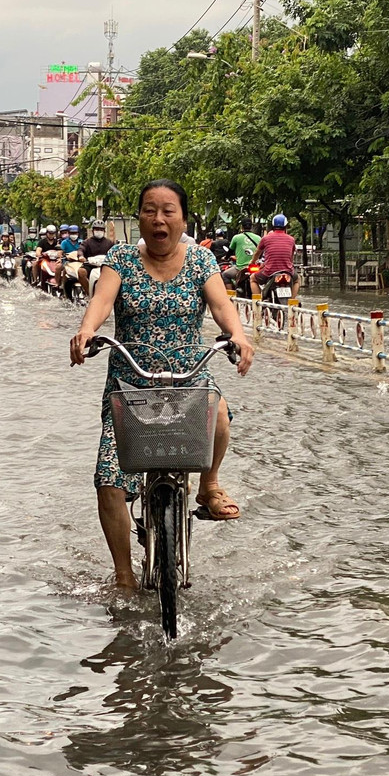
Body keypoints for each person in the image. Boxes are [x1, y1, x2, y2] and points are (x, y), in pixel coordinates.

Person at [70, 179, 255, 589]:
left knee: (219, 413)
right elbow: (101, 301)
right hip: (130, 385)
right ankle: (122, 575)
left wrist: (238, 335)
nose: (158, 219)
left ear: (182, 220)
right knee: (108, 482)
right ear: (139, 218)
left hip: (190, 379)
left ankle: (209, 486)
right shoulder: (120, 259)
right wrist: (86, 330)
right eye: (150, 210)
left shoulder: (202, 262)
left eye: (168, 211)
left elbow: (223, 305)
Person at [248, 214, 297, 299]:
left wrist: (252, 262)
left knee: (252, 279)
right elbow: (291, 259)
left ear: (273, 226)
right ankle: (292, 302)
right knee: (298, 280)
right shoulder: (291, 239)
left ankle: (259, 304)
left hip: (269, 272)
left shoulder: (266, 238)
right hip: (288, 272)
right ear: (285, 226)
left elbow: (257, 253)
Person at [76, 220, 117, 298]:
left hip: (105, 266)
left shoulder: (109, 243)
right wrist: (81, 256)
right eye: (97, 229)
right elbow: (81, 249)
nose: (99, 231)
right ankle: (89, 293)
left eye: (101, 230)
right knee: (81, 272)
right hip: (90, 265)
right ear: (93, 231)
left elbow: (115, 251)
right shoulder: (87, 242)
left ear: (104, 231)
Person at [224, 219, 261, 288]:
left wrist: (225, 258)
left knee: (225, 275)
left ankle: (230, 296)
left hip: (240, 268)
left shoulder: (236, 238)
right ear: (251, 227)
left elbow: (230, 251)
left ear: (242, 227)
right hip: (255, 267)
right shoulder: (258, 238)